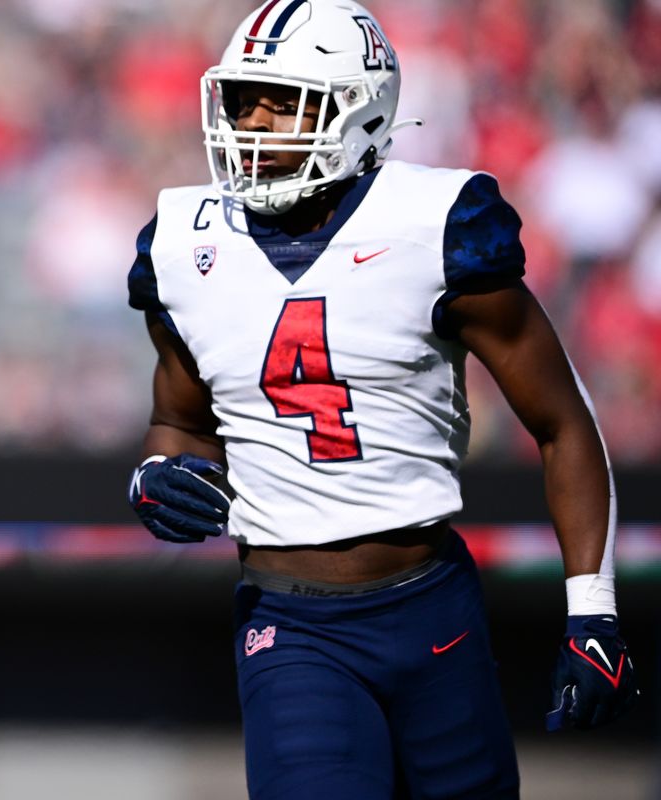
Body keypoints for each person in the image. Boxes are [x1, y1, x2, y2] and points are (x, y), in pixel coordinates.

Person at [125, 2, 638, 797]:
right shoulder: (186, 241)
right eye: (241, 98)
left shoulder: (436, 225)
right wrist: (158, 473)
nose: (251, 122)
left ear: (358, 111)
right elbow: (178, 423)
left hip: (432, 608)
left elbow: (562, 419)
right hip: (289, 622)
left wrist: (593, 613)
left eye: (283, 100)